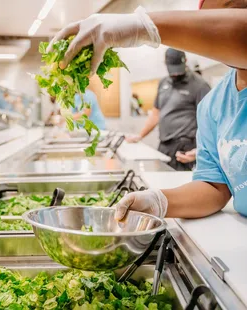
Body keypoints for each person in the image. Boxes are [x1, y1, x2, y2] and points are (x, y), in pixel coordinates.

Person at [48, 0, 247, 219]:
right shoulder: (214, 104)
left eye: (239, 11)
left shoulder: (199, 85)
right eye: (212, 20)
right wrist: (160, 202)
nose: (223, 27)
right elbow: (214, 189)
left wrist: (141, 26)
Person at [126, 48, 211, 171]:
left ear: (185, 61)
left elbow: (209, 121)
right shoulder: (163, 83)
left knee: (179, 186)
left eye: (178, 69)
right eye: (173, 69)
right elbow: (156, 114)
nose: (176, 74)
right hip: (164, 144)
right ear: (165, 63)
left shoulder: (200, 85)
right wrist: (140, 135)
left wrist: (200, 150)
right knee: (161, 181)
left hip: (185, 148)